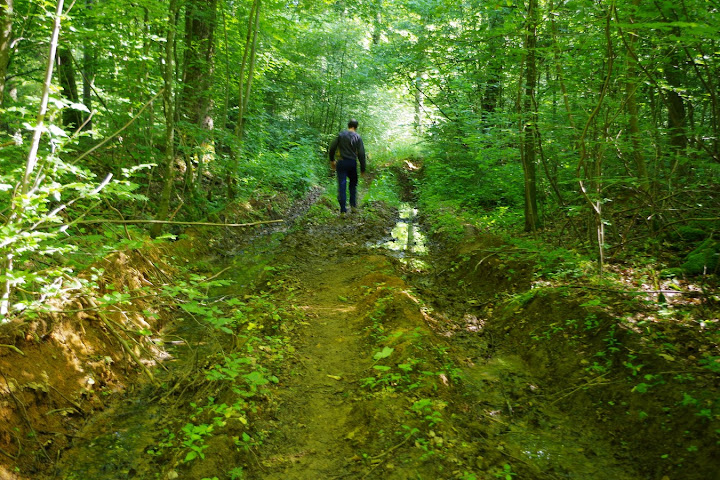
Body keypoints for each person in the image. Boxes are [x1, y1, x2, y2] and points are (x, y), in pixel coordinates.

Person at [329, 118, 366, 214]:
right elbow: (361, 153)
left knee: (342, 185)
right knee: (353, 185)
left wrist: (332, 160)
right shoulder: (357, 137)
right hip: (352, 163)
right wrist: (363, 168)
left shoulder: (341, 135)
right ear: (356, 127)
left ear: (348, 125)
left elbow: (332, 147)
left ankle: (343, 211)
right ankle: (353, 206)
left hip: (341, 162)